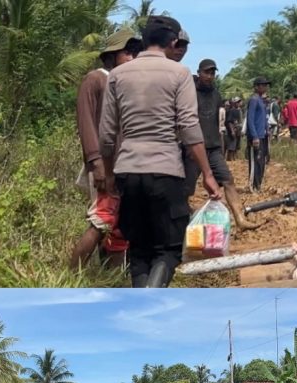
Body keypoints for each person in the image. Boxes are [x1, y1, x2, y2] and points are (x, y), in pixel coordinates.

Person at [99, 16, 221, 288]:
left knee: (139, 249)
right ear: (173, 41)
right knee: (168, 249)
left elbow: (107, 134)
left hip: (127, 172)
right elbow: (189, 127)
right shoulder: (179, 74)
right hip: (166, 172)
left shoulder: (118, 75)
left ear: (144, 40)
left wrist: (108, 175)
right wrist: (207, 174)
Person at [70, 30, 140, 270]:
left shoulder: (125, 82)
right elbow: (86, 122)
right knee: (102, 221)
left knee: (119, 228)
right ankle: (69, 276)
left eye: (135, 51)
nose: (133, 56)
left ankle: (112, 278)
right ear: (112, 55)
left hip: (125, 164)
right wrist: (96, 161)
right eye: (127, 51)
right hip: (104, 165)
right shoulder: (96, 79)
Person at [186, 59, 260, 230]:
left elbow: (218, 122)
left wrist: (221, 145)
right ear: (199, 73)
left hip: (213, 148)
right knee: (186, 189)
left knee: (228, 180)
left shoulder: (216, 94)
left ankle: (240, 219)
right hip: (194, 147)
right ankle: (185, 220)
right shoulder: (189, 91)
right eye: (206, 72)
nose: (210, 76)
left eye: (212, 73)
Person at [247, 77, 272, 192]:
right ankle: (253, 186)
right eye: (263, 85)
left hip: (263, 135)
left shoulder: (262, 101)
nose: (265, 87)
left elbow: (264, 118)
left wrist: (267, 129)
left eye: (266, 85)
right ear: (256, 86)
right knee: (255, 162)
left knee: (262, 161)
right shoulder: (254, 100)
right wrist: (254, 136)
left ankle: (259, 185)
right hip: (256, 136)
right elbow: (250, 119)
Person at [225, 97, 243, 162]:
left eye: (239, 102)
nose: (239, 103)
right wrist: (232, 131)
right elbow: (229, 121)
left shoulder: (239, 110)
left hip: (238, 129)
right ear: (235, 103)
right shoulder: (232, 111)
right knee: (232, 144)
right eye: (237, 102)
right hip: (233, 129)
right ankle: (230, 158)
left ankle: (234, 158)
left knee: (236, 145)